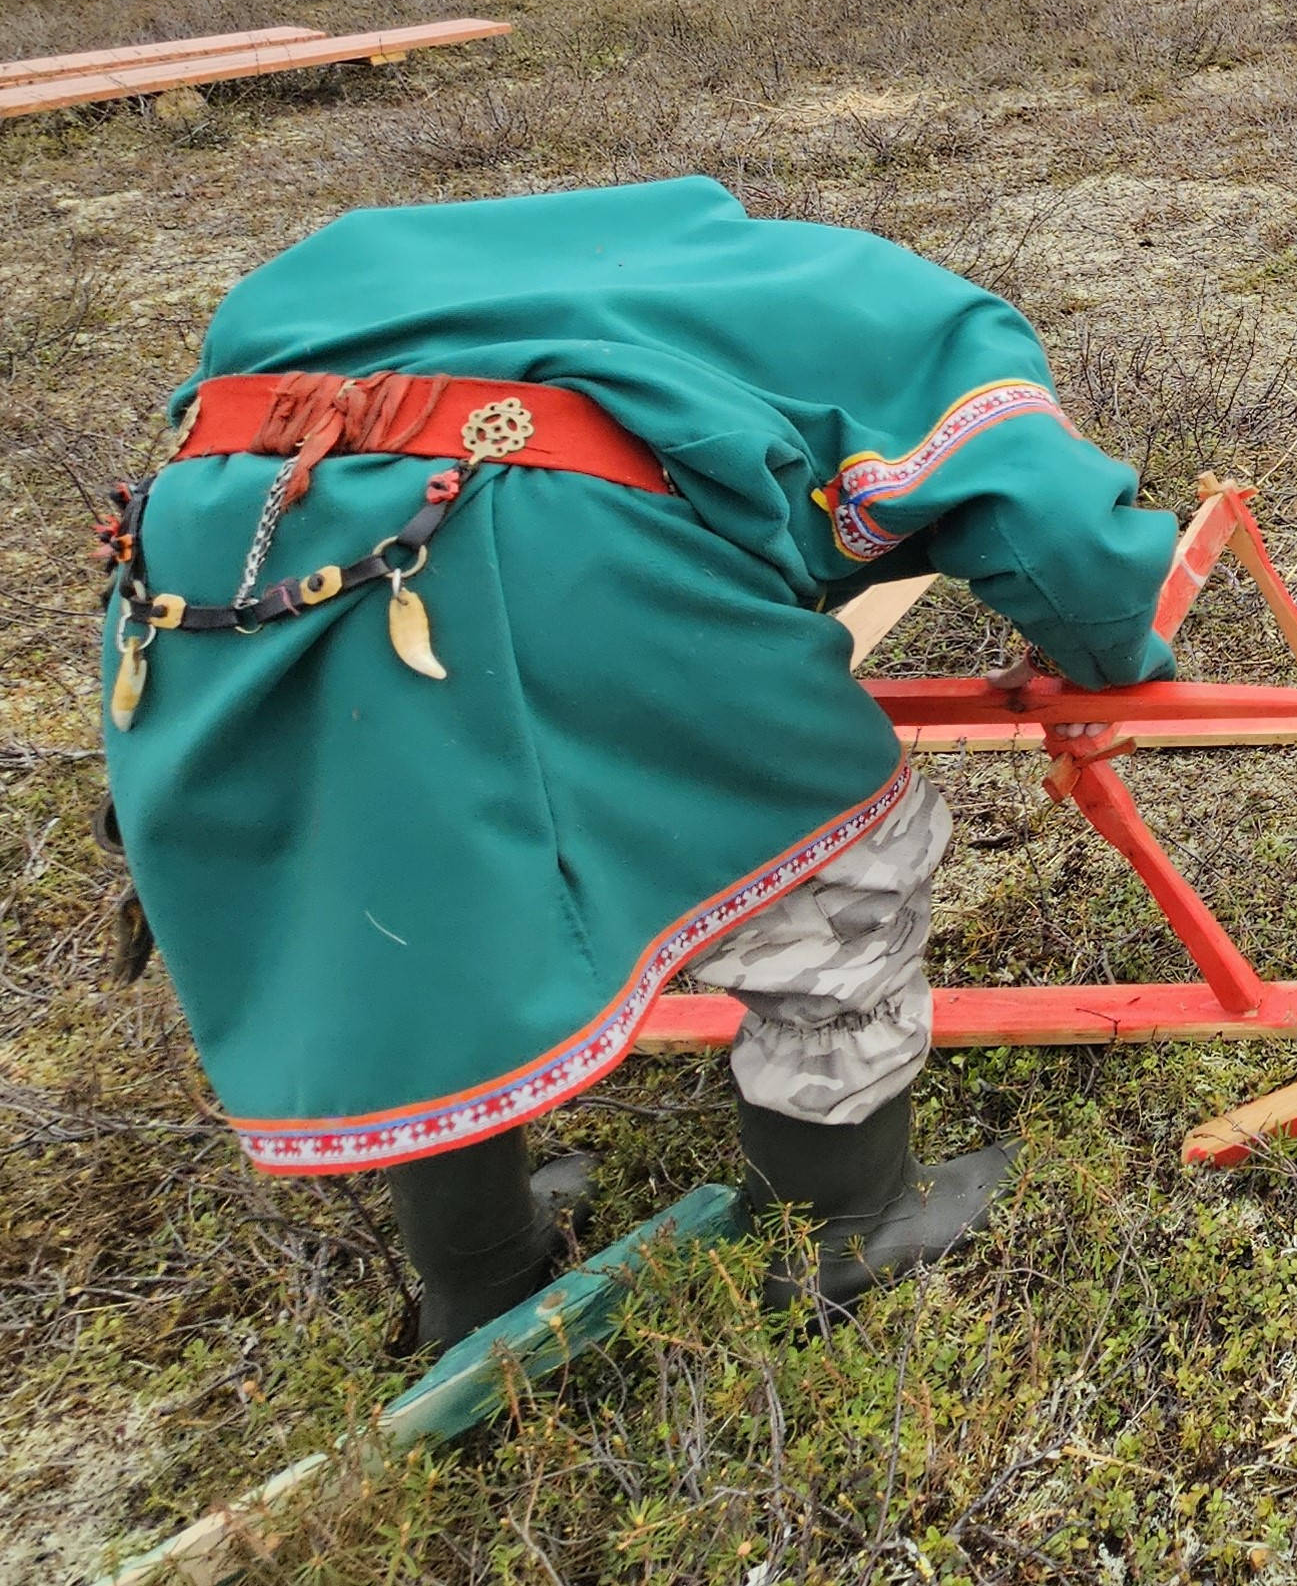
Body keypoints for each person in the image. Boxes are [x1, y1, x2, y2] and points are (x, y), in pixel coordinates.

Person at [95, 180, 1184, 1346]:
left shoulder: (479, 263)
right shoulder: (939, 327)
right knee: (842, 857)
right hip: (536, 543)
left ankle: (478, 1278)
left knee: (386, 878)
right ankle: (841, 1219)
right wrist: (1116, 656)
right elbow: (1061, 535)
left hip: (207, 564)